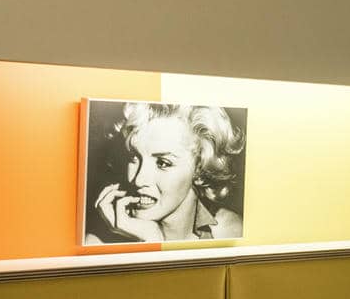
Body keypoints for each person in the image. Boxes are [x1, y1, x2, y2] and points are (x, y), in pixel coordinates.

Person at [87, 103, 245, 244]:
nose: (138, 180)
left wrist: (154, 241)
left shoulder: (231, 231)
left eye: (163, 163)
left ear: (199, 168)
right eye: (133, 157)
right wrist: (151, 240)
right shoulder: (96, 243)